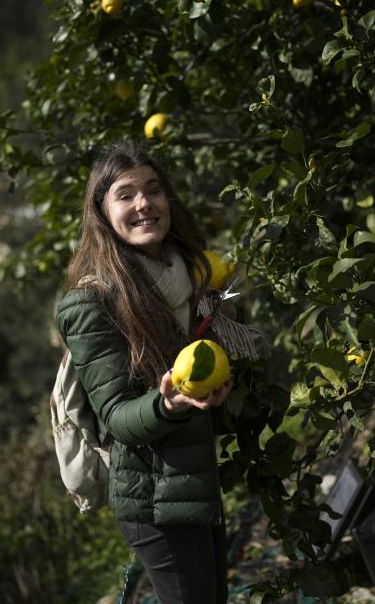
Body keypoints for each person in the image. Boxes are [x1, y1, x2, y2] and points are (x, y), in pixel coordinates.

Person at [55, 142, 232, 604]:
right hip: (152, 499)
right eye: (126, 194)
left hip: (194, 479)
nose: (143, 204)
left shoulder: (192, 275)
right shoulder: (91, 303)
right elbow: (115, 416)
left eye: (153, 189)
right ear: (102, 211)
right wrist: (168, 403)